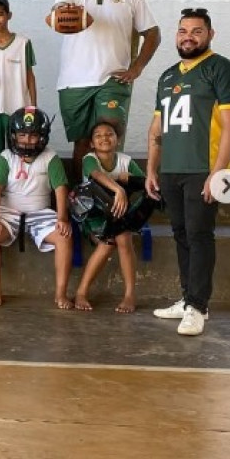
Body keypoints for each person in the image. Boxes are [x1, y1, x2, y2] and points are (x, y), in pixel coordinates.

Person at [147, 8, 230, 337]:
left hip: (203, 169)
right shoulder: (167, 76)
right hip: (172, 169)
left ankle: (199, 306)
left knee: (199, 235)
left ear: (210, 34)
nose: (188, 37)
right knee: (181, 233)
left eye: (197, 31)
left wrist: (218, 173)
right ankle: (188, 298)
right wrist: (152, 168)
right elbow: (157, 128)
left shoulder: (222, 69)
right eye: (183, 31)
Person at [51, 0, 160, 178]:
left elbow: (153, 33)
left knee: (107, 136)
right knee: (82, 143)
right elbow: (55, 17)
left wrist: (137, 67)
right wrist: (60, 14)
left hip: (112, 78)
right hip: (74, 82)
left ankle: (112, 194)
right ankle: (81, 193)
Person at [0, 107, 73, 309]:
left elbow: (60, 189)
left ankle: (60, 293)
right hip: (8, 212)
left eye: (33, 136)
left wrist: (62, 218)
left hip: (40, 212)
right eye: (22, 135)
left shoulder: (50, 157)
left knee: (64, 237)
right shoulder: (6, 157)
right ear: (13, 135)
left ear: (42, 136)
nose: (27, 140)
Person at [72, 121, 144, 314]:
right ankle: (81, 292)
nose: (104, 138)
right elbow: (96, 175)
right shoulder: (89, 159)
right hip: (93, 216)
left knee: (123, 237)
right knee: (109, 242)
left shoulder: (126, 161)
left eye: (109, 134)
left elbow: (145, 183)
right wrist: (118, 188)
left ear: (117, 139)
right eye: (98, 135)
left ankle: (129, 294)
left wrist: (130, 179)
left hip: (118, 215)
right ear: (91, 143)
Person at [0, 0, 36, 162]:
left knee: (19, 154)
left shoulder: (23, 43)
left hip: (18, 106)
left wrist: (32, 108)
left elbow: (30, 76)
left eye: (0, 14)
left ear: (9, 15)